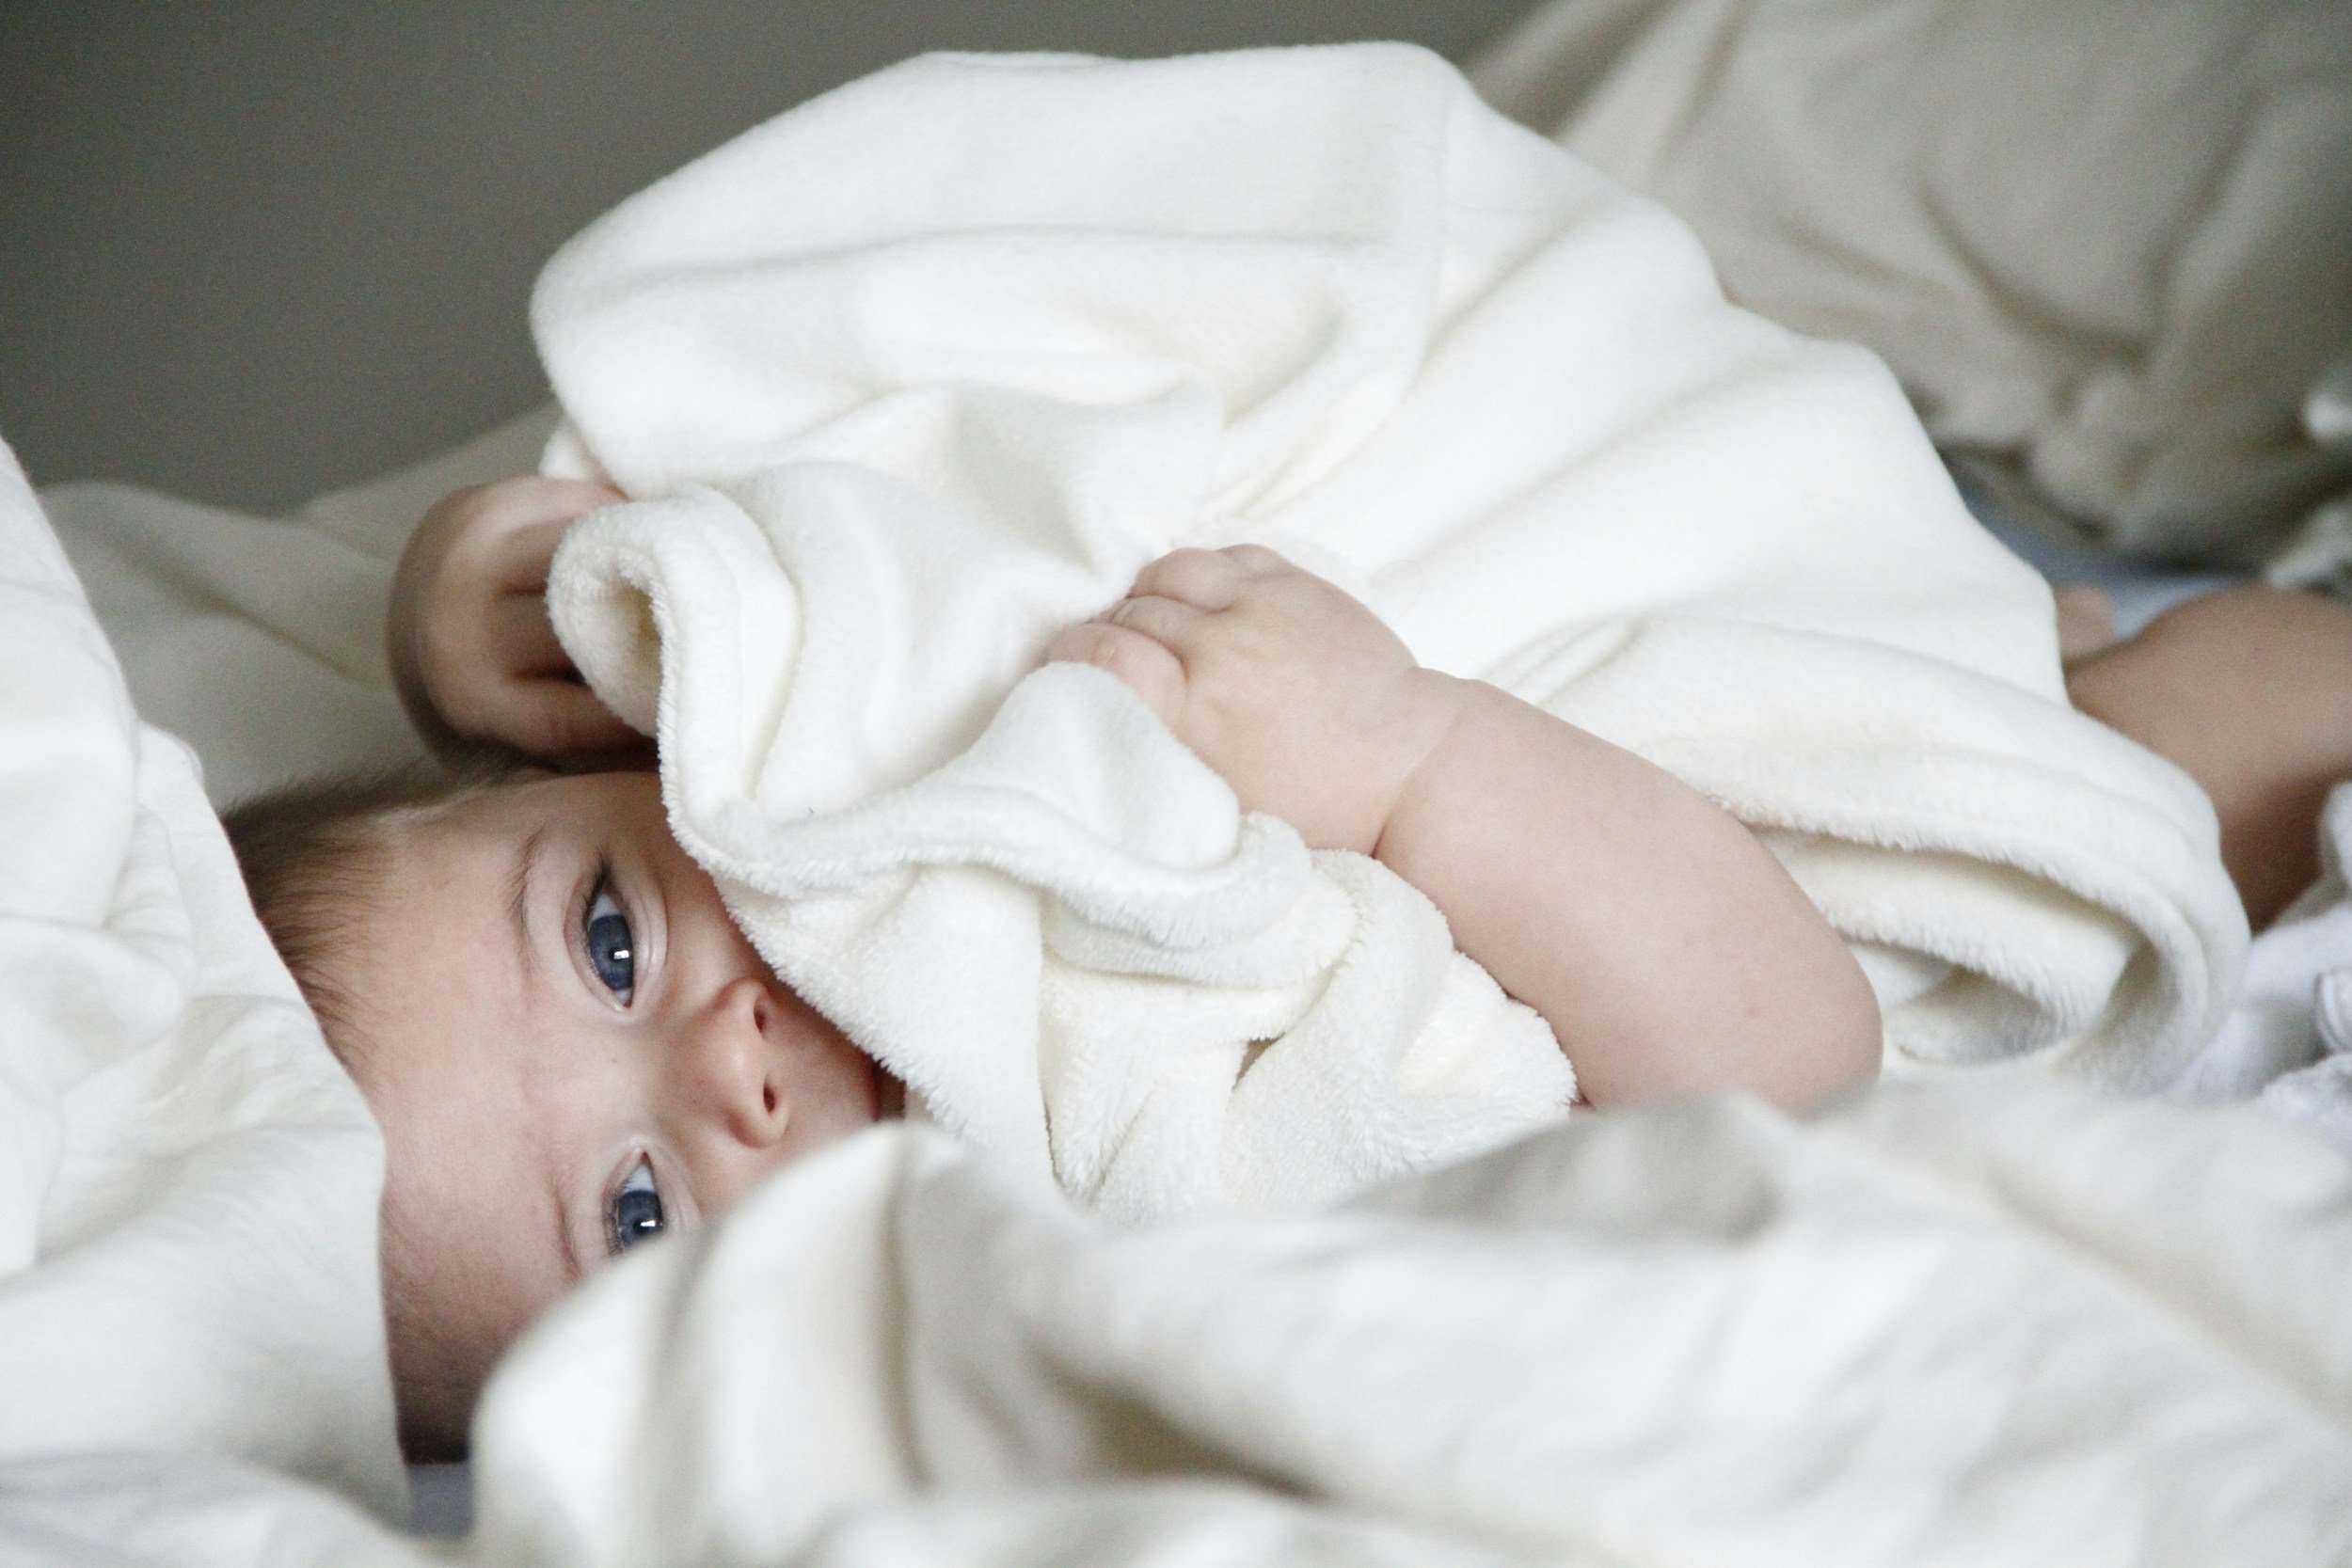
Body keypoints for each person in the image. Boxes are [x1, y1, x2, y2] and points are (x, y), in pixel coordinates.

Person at [231, 474, 2352, 1457]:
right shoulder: (1116, 1206)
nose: (725, 1076)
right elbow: (1782, 1077)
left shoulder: (848, 750)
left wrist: (484, 594)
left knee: (2047, 642)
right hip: (1754, 882)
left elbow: (769, 526)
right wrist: (1405, 758)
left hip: (1684, 606)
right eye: (634, 1211)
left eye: (607, 937)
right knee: (2203, 735)